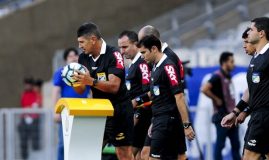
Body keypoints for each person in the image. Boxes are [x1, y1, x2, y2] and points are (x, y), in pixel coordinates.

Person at [221, 17, 269, 160]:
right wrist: (236, 111)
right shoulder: (256, 58)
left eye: (251, 29)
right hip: (261, 116)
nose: (248, 32)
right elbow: (251, 91)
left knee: (248, 157)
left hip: (266, 117)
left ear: (261, 33)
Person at [72, 22, 134, 160]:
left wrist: (91, 81)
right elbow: (80, 90)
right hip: (99, 111)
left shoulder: (114, 54)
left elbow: (114, 87)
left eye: (82, 42)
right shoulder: (83, 57)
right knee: (90, 152)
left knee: (123, 154)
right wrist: (74, 81)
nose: (80, 46)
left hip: (119, 110)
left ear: (93, 39)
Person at [137, 35, 195, 159]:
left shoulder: (168, 67)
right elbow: (156, 94)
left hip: (166, 120)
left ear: (153, 49)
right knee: (179, 156)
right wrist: (137, 101)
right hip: (161, 119)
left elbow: (179, 96)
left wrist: (186, 125)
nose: (142, 56)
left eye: (143, 52)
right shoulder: (155, 66)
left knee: (151, 156)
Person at [118, 30, 152, 160]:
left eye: (125, 47)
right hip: (137, 115)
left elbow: (149, 92)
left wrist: (136, 109)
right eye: (120, 47)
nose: (122, 51)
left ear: (136, 45)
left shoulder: (142, 64)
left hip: (143, 116)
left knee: (128, 153)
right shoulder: (133, 65)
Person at [201, 52, 240, 160]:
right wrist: (216, 99)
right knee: (220, 145)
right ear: (224, 62)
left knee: (236, 145)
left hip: (232, 116)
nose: (233, 64)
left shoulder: (228, 76)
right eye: (231, 61)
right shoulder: (217, 76)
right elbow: (204, 89)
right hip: (221, 116)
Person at [52, 47, 90, 160]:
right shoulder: (60, 72)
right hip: (66, 112)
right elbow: (56, 92)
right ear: (65, 60)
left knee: (81, 143)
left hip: (83, 112)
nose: (73, 57)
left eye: (75, 55)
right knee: (63, 144)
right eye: (70, 55)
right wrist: (56, 111)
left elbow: (92, 91)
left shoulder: (85, 72)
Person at [18, 77, 41, 160]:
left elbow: (36, 105)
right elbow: (23, 105)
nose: (27, 86)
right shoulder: (23, 94)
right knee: (23, 142)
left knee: (35, 142)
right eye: (26, 85)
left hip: (34, 120)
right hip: (24, 119)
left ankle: (36, 157)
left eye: (28, 85)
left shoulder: (36, 94)